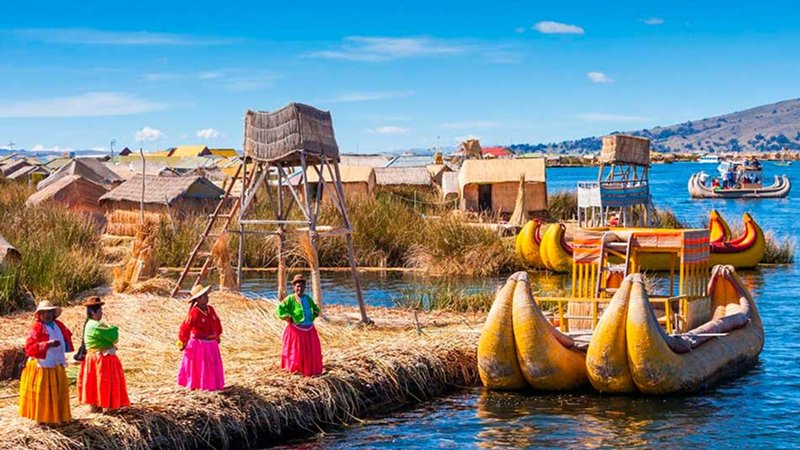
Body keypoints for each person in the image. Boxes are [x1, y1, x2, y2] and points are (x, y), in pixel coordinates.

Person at [18, 300, 73, 424]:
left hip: (56, 364)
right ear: (39, 315)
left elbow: (67, 337)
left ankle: (56, 417)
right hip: (42, 365)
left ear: (54, 313)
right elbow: (29, 347)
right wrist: (47, 344)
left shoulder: (59, 325)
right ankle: (42, 419)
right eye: (43, 313)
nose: (47, 315)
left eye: (49, 312)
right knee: (44, 393)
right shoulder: (36, 327)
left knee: (56, 392)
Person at [77, 297, 130, 412]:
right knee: (104, 382)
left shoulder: (90, 324)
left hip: (93, 357)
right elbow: (113, 336)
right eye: (100, 310)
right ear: (93, 312)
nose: (102, 313)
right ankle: (108, 406)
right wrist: (114, 329)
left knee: (94, 382)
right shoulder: (96, 325)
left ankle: (96, 406)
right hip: (100, 358)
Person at [178, 285, 225, 391]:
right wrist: (183, 341)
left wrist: (217, 336)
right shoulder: (194, 312)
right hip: (199, 345)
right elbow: (185, 327)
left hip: (211, 344)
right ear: (198, 299)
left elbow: (217, 323)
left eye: (206, 295)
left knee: (211, 366)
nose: (207, 297)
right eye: (204, 296)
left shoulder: (210, 309)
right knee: (200, 366)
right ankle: (198, 385)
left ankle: (212, 385)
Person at [277, 274, 323, 376]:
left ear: (304, 287)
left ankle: (309, 369)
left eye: (302, 286)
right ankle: (296, 369)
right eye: (297, 286)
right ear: (294, 287)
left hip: (309, 330)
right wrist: (288, 317)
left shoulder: (307, 299)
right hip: (296, 330)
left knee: (310, 351)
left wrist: (313, 317)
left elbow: (316, 309)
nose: (300, 288)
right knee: (297, 351)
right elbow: (280, 309)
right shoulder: (290, 299)